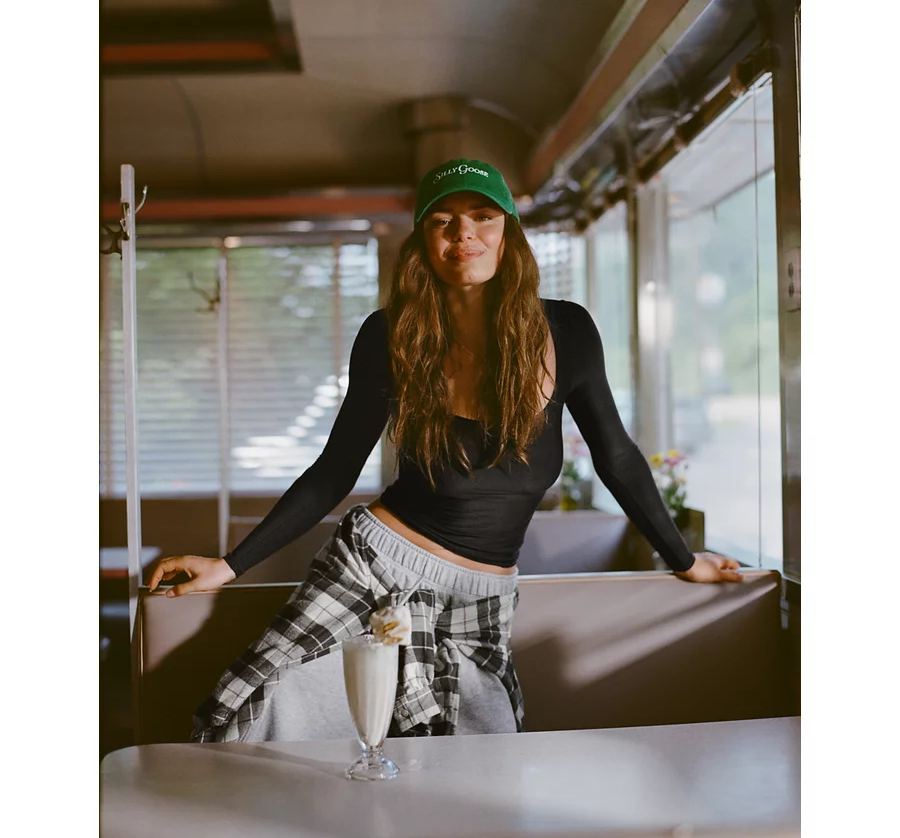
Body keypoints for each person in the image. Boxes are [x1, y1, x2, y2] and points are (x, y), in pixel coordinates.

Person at [148, 158, 743, 743]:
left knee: (477, 758)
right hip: (373, 569)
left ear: (508, 232)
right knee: (257, 716)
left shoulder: (568, 332)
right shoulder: (389, 336)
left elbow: (617, 457)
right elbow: (334, 471)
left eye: (483, 216)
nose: (464, 234)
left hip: (482, 599)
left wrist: (683, 559)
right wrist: (229, 565)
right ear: (422, 241)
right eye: (443, 221)